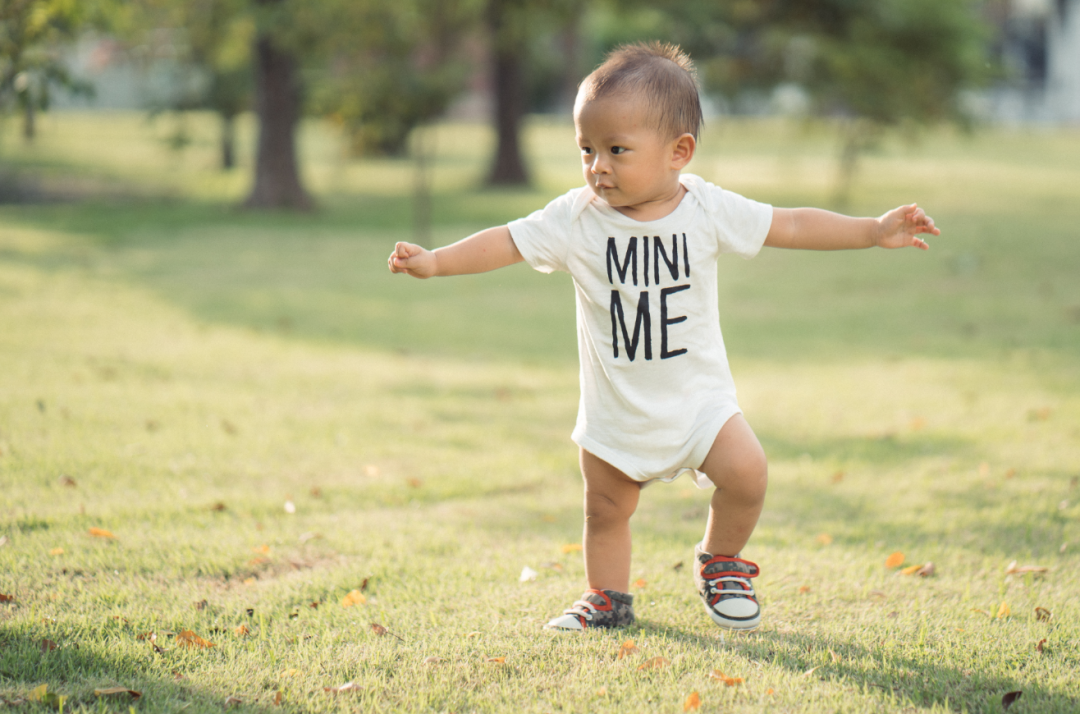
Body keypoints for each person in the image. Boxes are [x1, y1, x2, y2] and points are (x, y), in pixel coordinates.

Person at [388, 41, 938, 632]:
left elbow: (793, 223)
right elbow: (505, 241)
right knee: (605, 508)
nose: (598, 165)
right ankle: (606, 598)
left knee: (748, 473)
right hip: (616, 410)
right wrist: (437, 262)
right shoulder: (575, 220)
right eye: (586, 149)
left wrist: (872, 231)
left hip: (699, 401)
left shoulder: (705, 208)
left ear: (679, 152)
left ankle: (720, 561)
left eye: (616, 150)